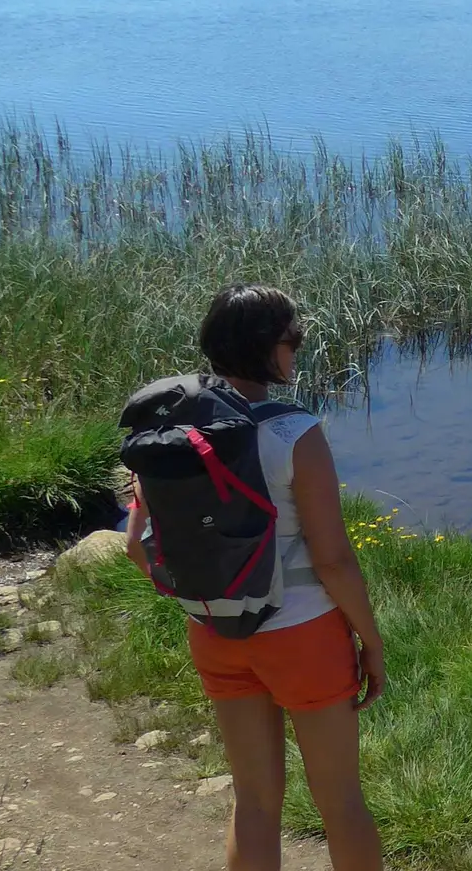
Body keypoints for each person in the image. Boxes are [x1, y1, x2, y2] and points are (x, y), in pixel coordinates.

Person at [123, 285, 385, 871]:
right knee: (341, 803)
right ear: (266, 347)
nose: (297, 352)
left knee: (255, 804)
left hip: (214, 628)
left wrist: (208, 584)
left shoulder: (171, 427)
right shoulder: (295, 433)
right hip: (304, 636)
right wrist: (371, 641)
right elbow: (334, 562)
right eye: (293, 341)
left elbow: (136, 549)